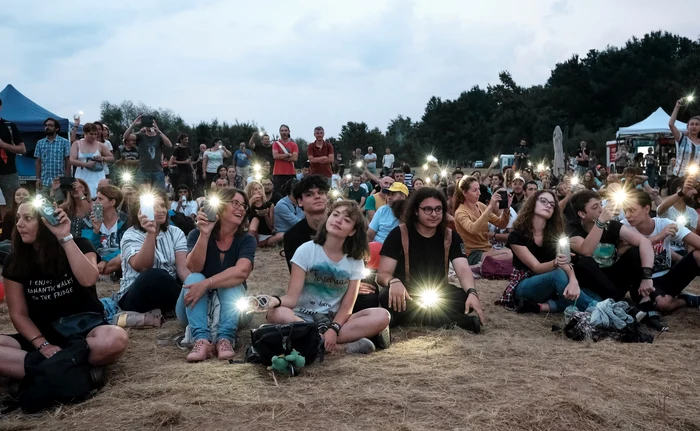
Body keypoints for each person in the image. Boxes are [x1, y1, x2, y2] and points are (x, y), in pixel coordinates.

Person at [0, 199, 128, 380]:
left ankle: (40, 373)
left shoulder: (80, 245)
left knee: (115, 339)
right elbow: (18, 314)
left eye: (28, 218)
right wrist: (43, 345)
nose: (20, 224)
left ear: (47, 220)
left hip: (84, 333)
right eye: (18, 219)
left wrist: (64, 237)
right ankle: (77, 370)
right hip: (42, 336)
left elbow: (89, 279)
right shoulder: (14, 261)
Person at [261, 200, 390, 354]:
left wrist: (334, 329)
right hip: (301, 317)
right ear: (328, 218)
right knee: (275, 313)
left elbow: (347, 307)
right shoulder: (306, 250)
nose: (338, 220)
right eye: (335, 215)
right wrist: (276, 300)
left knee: (382, 316)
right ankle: (338, 347)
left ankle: (309, 340)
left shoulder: (354, 261)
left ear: (352, 231)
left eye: (347, 220)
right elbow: (292, 298)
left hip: (332, 319)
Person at [376, 188, 484, 332]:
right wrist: (394, 281)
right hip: (407, 293)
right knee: (385, 296)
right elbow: (382, 274)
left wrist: (472, 292)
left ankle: (407, 317)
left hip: (439, 292)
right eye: (428, 209)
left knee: (465, 300)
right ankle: (457, 321)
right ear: (416, 211)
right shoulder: (399, 234)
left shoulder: (451, 236)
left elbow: (463, 269)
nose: (434, 214)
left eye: (438, 209)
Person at [179, 188, 255, 361]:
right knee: (195, 278)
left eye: (244, 206)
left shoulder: (246, 239)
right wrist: (204, 235)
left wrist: (208, 284)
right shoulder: (196, 234)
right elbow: (193, 267)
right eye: (235, 203)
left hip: (233, 308)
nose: (241, 209)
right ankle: (201, 339)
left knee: (232, 280)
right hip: (196, 308)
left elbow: (242, 271)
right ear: (219, 206)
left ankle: (225, 338)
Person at [496, 189, 599, 314]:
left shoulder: (553, 234)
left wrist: (573, 280)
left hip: (550, 283)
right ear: (533, 203)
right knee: (558, 274)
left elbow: (565, 261)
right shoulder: (517, 235)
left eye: (552, 204)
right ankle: (599, 310)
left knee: (590, 293)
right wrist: (556, 263)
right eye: (543, 201)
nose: (548, 205)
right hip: (525, 284)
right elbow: (536, 267)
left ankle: (543, 306)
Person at [621, 188, 700, 313]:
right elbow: (621, 252)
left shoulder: (664, 224)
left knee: (698, 255)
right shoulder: (624, 227)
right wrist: (659, 237)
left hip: (668, 277)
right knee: (662, 304)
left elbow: (697, 242)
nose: (627, 215)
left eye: (632, 210)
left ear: (646, 209)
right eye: (625, 211)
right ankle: (685, 300)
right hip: (643, 282)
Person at [568, 190, 654, 301]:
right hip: (591, 282)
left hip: (612, 276)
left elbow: (644, 242)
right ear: (582, 214)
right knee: (584, 262)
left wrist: (647, 276)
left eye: (601, 204)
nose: (601, 210)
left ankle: (642, 299)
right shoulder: (573, 229)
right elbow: (586, 250)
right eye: (595, 207)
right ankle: (620, 302)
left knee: (635, 253)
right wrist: (600, 222)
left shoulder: (611, 225)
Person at [118, 190, 190, 313]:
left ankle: (190, 303)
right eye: (154, 206)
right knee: (154, 275)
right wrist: (151, 233)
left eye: (162, 206)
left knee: (194, 277)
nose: (161, 210)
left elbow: (182, 269)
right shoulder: (130, 235)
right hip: (136, 293)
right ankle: (184, 305)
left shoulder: (175, 232)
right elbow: (142, 267)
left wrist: (194, 286)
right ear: (140, 211)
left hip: (168, 289)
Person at [453, 176, 512, 265]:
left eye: (479, 189)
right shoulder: (460, 212)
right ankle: (480, 267)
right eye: (475, 190)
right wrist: (490, 207)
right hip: (471, 253)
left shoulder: (480, 205)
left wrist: (506, 209)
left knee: (512, 253)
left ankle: (485, 265)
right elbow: (473, 229)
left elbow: (501, 224)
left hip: (486, 249)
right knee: (508, 255)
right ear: (464, 193)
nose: (479, 193)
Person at [283, 175, 330, 270]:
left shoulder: (341, 227)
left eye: (321, 193)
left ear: (327, 198)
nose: (317, 196)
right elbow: (297, 274)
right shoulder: (292, 236)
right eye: (309, 194)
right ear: (300, 201)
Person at [82, 185, 129, 277]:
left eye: (100, 199)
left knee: (123, 256)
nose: (95, 202)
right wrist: (96, 232)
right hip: (96, 259)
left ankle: (99, 273)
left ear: (112, 202)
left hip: (116, 260)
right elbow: (86, 249)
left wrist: (106, 260)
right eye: (96, 198)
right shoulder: (89, 221)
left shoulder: (125, 221)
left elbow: (127, 246)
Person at [122, 115, 172, 190]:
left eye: (152, 123)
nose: (149, 126)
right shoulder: (140, 136)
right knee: (141, 194)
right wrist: (134, 124)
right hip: (143, 171)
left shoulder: (159, 137)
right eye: (148, 124)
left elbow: (169, 145)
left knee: (160, 195)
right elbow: (126, 136)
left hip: (157, 170)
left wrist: (158, 131)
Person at [70, 123, 113, 197]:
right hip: (82, 174)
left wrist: (102, 158)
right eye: (91, 134)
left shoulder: (100, 145)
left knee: (98, 196)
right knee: (82, 195)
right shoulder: (77, 144)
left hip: (97, 175)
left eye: (95, 134)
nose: (94, 136)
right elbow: (71, 160)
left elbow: (111, 158)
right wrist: (85, 164)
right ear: (85, 133)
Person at [0, 98, 26, 219]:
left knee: (14, 206)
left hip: (9, 172)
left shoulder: (9, 126)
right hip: (8, 172)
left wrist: (4, 145)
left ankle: (14, 233)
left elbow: (22, 149)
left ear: (0, 107)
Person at [34, 118, 71, 192]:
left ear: (57, 128)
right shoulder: (40, 143)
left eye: (50, 125)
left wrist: (66, 181)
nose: (47, 127)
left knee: (58, 203)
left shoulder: (65, 142)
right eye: (46, 125)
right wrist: (38, 179)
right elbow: (38, 162)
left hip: (59, 183)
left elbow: (68, 162)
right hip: (44, 182)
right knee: (41, 203)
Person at [245, 181, 283, 247]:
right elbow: (242, 220)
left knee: (281, 235)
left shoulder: (269, 205)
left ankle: (261, 243)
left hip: (266, 234)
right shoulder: (247, 205)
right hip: (252, 233)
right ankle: (252, 242)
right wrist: (250, 202)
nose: (259, 191)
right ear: (250, 192)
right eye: (255, 189)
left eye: (260, 188)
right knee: (255, 219)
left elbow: (271, 227)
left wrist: (266, 215)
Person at [670, 99, 700, 177]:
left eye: (697, 124)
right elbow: (671, 124)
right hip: (679, 177)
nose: (694, 126)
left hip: (695, 180)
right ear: (688, 126)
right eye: (692, 124)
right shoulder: (681, 138)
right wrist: (677, 107)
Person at [0, 187, 29, 262]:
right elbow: (5, 236)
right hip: (11, 243)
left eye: (25, 195)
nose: (21, 196)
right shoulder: (9, 214)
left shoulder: (36, 213)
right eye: (18, 194)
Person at [272, 124, 299, 192]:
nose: (284, 132)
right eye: (282, 131)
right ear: (280, 132)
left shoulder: (294, 144)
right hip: (278, 173)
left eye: (285, 130)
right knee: (278, 193)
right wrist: (288, 155)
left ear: (289, 131)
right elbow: (275, 156)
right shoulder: (276, 144)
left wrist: (281, 156)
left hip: (290, 173)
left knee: (292, 192)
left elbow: (295, 158)